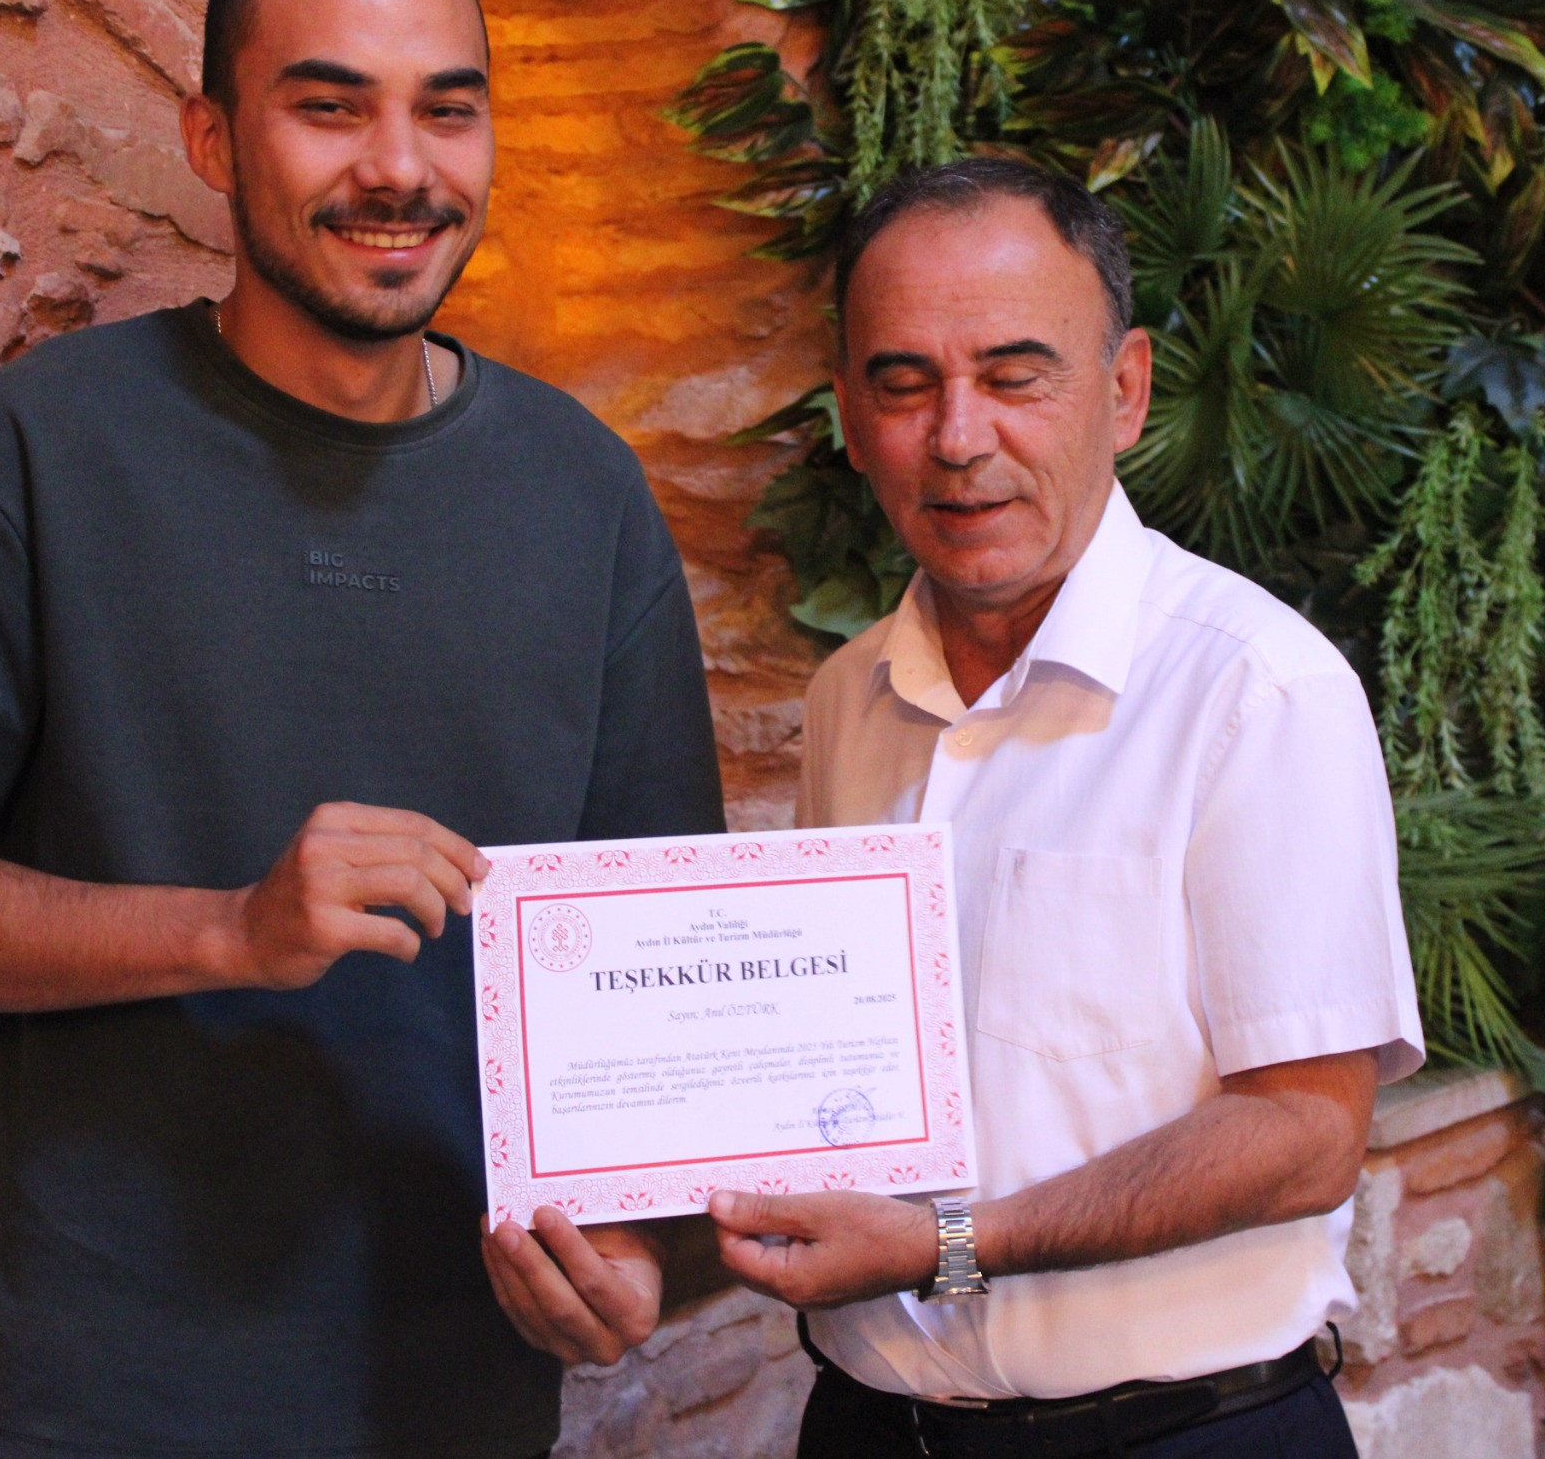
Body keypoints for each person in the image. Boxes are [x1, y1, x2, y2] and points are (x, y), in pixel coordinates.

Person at [0, 0, 723, 1459]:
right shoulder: (45, 445)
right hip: (102, 1412)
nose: (400, 167)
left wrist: (642, 1252)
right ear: (213, 139)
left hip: (462, 1409)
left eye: (447, 110)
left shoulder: (587, 491)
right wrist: (230, 929)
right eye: (331, 106)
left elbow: (661, 961)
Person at [533, 156, 1423, 1456]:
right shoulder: (850, 699)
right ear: (851, 416)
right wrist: (633, 1239)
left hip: (1181, 1436)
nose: (958, 438)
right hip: (870, 1428)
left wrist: (950, 1244)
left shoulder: (1255, 690)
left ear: (1124, 391)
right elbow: (820, 1098)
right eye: (904, 384)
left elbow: (1304, 1135)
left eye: (1015, 377)